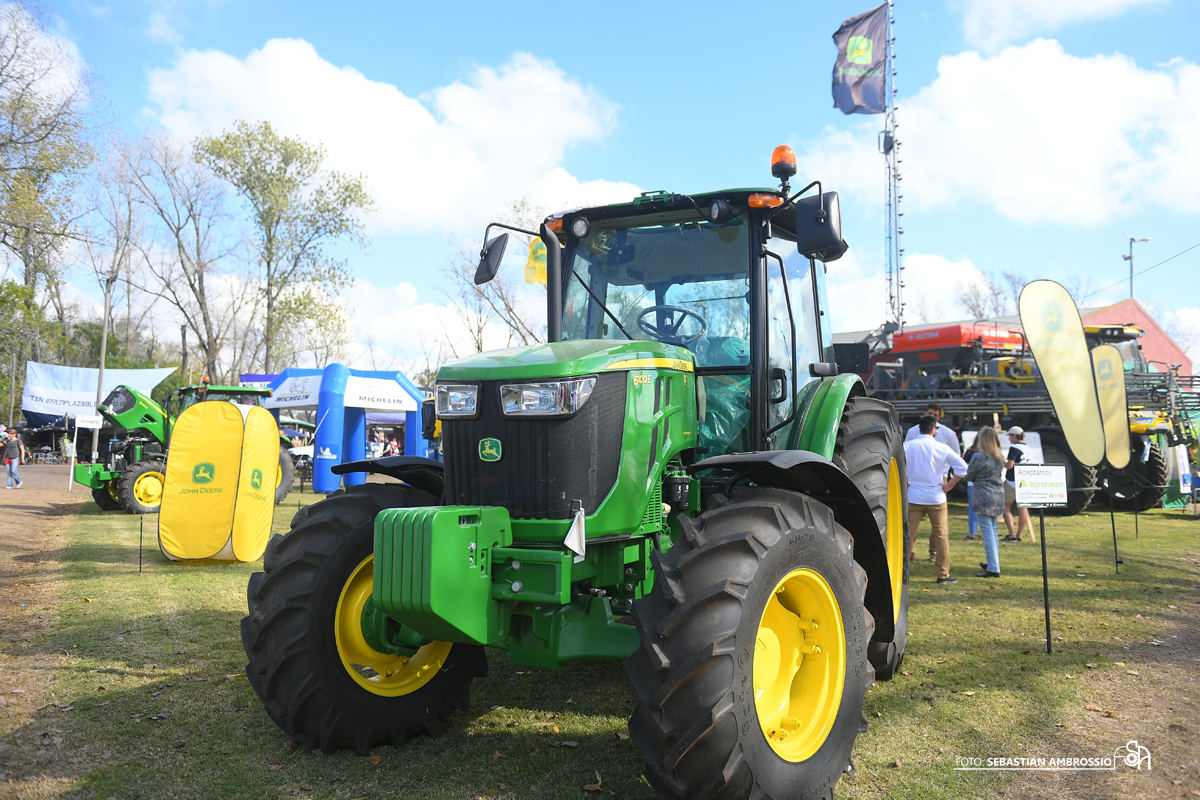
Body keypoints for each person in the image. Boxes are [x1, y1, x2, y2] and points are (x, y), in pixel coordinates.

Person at [904, 415, 969, 584]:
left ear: (919, 429)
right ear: (934, 430)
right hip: (936, 497)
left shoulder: (907, 446)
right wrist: (949, 485)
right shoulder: (942, 447)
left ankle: (902, 573)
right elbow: (963, 468)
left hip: (914, 496)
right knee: (941, 536)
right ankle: (943, 574)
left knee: (908, 535)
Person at [964, 426, 1006, 577]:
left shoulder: (979, 456)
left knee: (988, 534)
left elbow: (968, 476)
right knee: (993, 532)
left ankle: (993, 568)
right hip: (997, 496)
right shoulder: (1000, 456)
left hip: (983, 497)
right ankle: (993, 562)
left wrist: (975, 476)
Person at [1003, 426, 1032, 542]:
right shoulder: (1029, 449)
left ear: (1015, 436)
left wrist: (1003, 463)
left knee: (1006, 508)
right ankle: (1019, 535)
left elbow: (1010, 465)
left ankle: (1012, 534)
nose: (1009, 438)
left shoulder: (1014, 448)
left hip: (1012, 481)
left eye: (1010, 435)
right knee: (1022, 508)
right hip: (1024, 481)